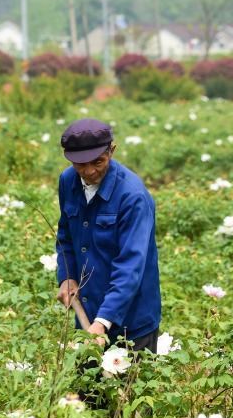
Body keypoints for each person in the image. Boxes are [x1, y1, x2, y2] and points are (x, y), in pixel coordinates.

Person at [54, 118, 161, 354]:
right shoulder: (68, 181)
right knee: (84, 390)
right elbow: (66, 237)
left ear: (111, 151)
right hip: (88, 314)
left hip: (131, 322)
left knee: (131, 390)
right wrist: (67, 276)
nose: (89, 171)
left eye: (98, 162)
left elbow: (131, 265)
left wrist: (103, 321)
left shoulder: (132, 196)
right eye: (80, 165)